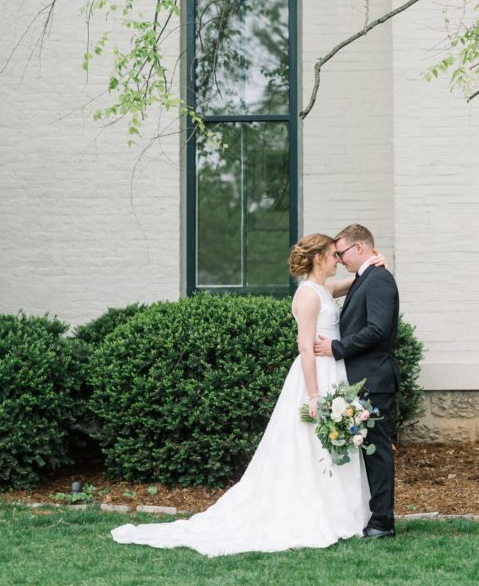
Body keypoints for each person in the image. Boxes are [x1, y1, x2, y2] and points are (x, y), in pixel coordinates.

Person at [110, 234, 385, 557]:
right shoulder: (308, 296)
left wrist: (374, 265)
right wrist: (313, 395)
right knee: (309, 448)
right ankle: (311, 511)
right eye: (331, 255)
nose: (337, 259)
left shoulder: (324, 289)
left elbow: (356, 283)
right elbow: (305, 348)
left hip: (335, 373)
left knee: (328, 448)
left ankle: (342, 513)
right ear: (317, 259)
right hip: (315, 376)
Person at [314, 223, 400, 539]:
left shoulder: (378, 281)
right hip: (363, 379)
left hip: (375, 379)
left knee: (377, 451)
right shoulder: (367, 277)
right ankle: (372, 516)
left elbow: (377, 330)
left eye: (342, 252)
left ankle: (382, 522)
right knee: (369, 451)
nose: (340, 258)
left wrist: (337, 348)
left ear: (360, 247)